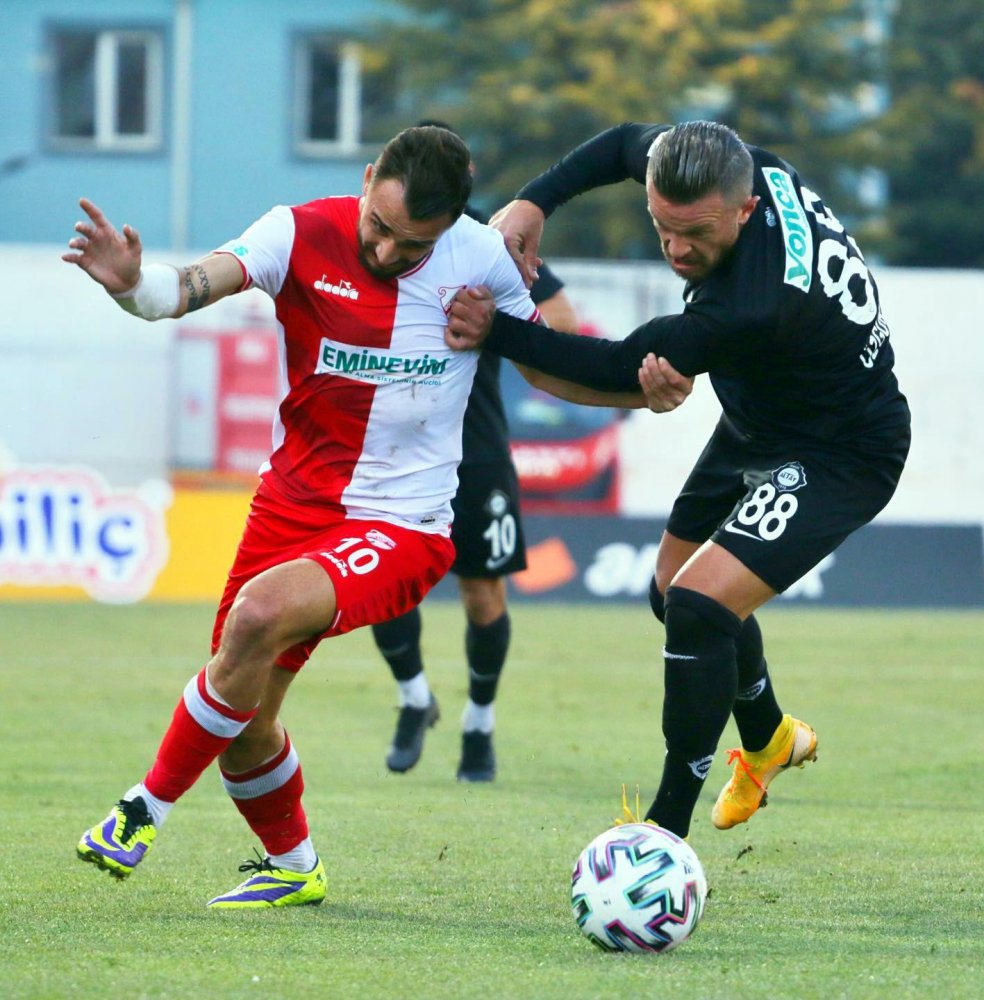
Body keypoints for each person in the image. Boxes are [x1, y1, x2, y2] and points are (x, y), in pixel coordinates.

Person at [63, 125, 673, 909]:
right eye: (377, 227)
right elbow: (185, 288)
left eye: (410, 244)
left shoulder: (481, 257)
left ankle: (140, 810)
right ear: (364, 180)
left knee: (258, 616)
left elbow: (551, 369)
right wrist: (131, 284)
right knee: (241, 717)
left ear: (451, 225)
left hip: (403, 523)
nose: (385, 252)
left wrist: (638, 393)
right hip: (287, 508)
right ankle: (294, 867)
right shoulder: (296, 231)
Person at [446, 120, 911, 841]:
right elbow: (627, 141)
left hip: (843, 450)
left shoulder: (752, 303)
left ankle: (664, 832)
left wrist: (495, 330)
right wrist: (536, 201)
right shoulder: (733, 163)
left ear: (746, 209)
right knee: (672, 594)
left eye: (694, 233)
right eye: (662, 225)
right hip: (767, 417)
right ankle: (768, 738)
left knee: (698, 603)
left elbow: (612, 367)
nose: (676, 249)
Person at [373, 120, 581, 784]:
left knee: (482, 594)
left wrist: (496, 324)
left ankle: (478, 724)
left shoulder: (490, 246)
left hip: (476, 447)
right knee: (383, 587)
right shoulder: (373, 236)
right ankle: (414, 699)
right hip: (391, 450)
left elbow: (565, 332)